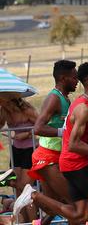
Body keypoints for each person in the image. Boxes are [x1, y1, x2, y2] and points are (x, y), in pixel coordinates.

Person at [13, 62, 88, 224]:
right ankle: (32, 195)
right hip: (72, 163)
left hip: (71, 161)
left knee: (81, 215)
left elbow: (81, 141)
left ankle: (33, 195)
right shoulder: (82, 107)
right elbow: (72, 144)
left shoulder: (86, 105)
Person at [28, 60, 78, 223]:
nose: (77, 80)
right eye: (74, 77)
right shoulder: (54, 98)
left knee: (54, 207)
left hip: (57, 157)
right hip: (47, 158)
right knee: (77, 206)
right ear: (63, 78)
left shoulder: (65, 98)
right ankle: (32, 195)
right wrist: (63, 132)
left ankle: (33, 198)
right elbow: (38, 128)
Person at [0, 94, 37, 222]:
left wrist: (26, 134)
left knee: (25, 187)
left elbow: (42, 127)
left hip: (30, 150)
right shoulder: (4, 111)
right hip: (15, 150)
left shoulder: (26, 110)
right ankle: (24, 221)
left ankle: (34, 221)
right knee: (17, 187)